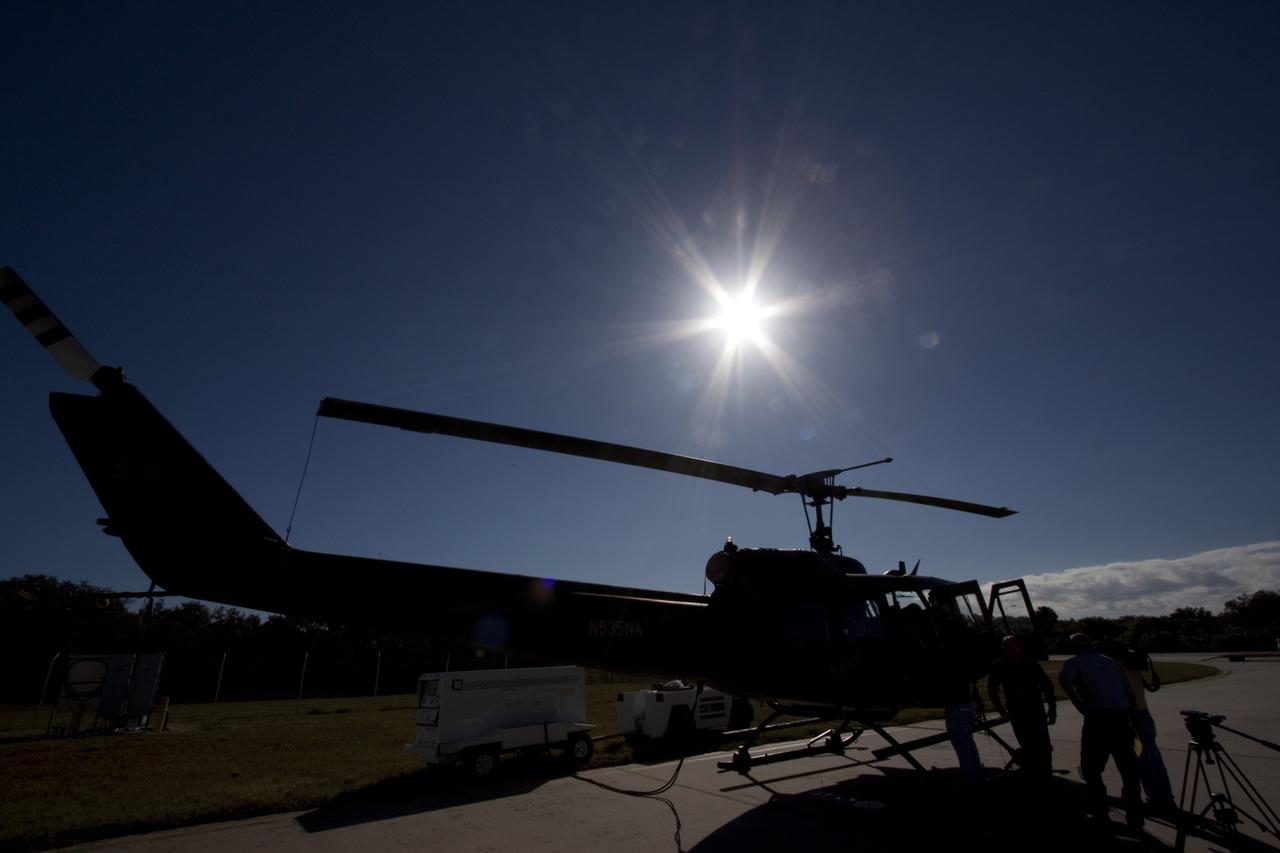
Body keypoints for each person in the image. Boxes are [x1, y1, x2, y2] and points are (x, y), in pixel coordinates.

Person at [1059, 633, 1144, 831]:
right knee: (1129, 772)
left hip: (1097, 721)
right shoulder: (1112, 662)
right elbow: (1129, 693)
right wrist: (1134, 722)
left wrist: (1078, 703)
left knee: (1091, 769)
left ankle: (1100, 813)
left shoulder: (1075, 662)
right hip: (1122, 721)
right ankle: (1135, 817)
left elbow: (1064, 679)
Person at [1102, 641, 1175, 813]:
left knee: (1142, 758)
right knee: (1152, 757)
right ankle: (1163, 796)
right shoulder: (1131, 668)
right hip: (1143, 717)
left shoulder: (1117, 670)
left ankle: (1158, 799)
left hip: (1133, 721)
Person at [987, 634, 1056, 778]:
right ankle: (1033, 771)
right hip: (1016, 709)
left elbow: (1047, 685)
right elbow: (992, 689)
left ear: (1020, 647)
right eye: (1010, 648)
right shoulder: (999, 665)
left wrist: (1052, 708)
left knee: (1043, 743)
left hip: (1035, 707)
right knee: (1026, 741)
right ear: (1004, 649)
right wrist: (1001, 709)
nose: (1014, 650)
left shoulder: (1030, 663)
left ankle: (1045, 773)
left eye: (1016, 646)